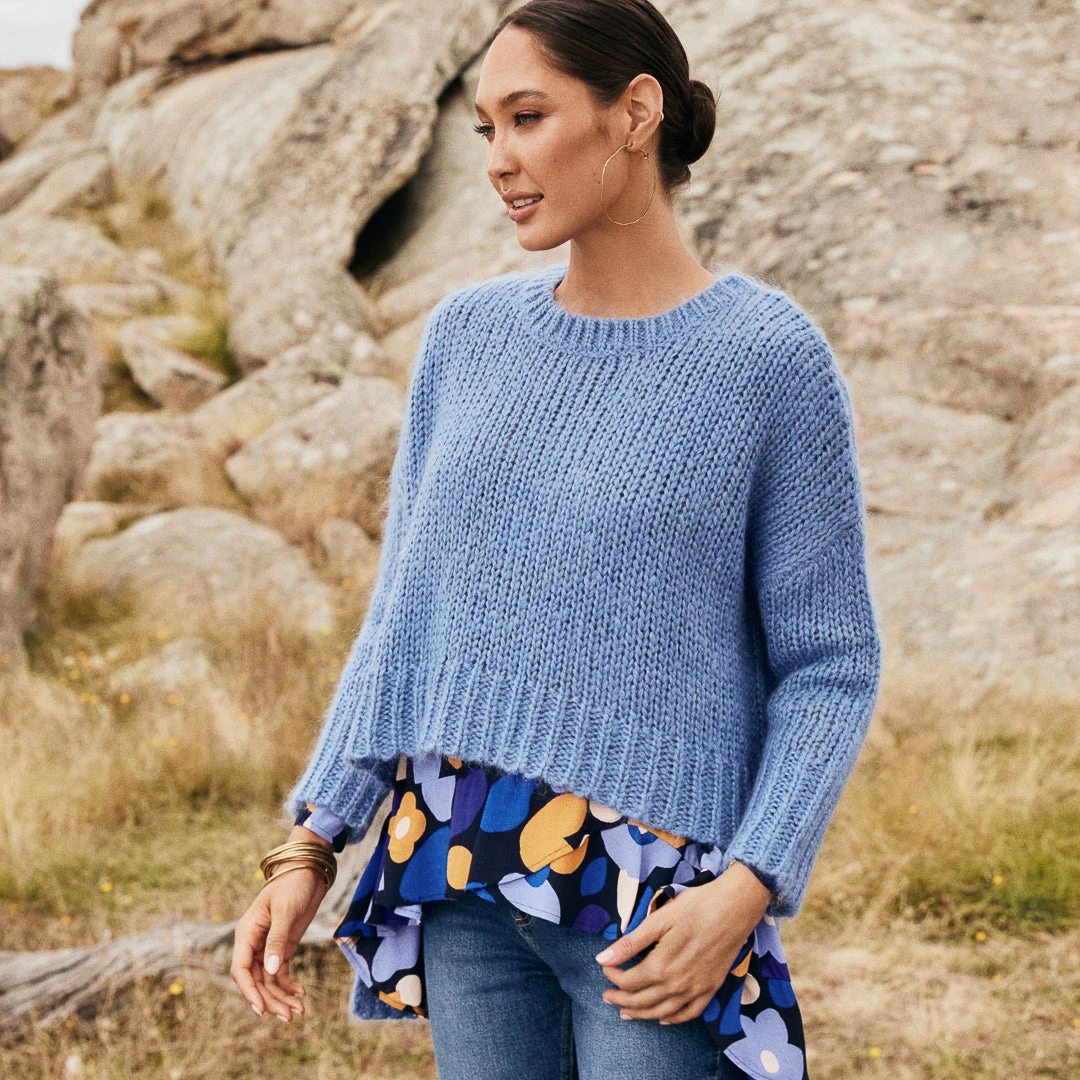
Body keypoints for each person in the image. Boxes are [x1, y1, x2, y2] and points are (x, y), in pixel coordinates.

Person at [230, 1, 882, 1077]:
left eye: (528, 118)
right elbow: (405, 621)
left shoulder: (769, 360)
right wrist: (313, 840)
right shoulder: (467, 338)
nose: (499, 158)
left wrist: (750, 884)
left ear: (636, 113)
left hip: (651, 905)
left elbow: (831, 663)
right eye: (487, 128)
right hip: (454, 866)